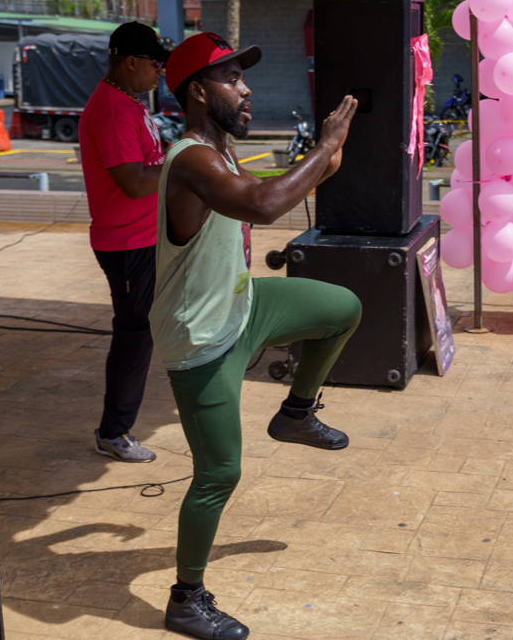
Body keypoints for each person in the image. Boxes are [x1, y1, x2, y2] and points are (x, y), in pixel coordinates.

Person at [153, 32, 360, 640]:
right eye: (232, 80)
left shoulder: (218, 150)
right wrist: (322, 148)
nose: (246, 90)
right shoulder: (192, 157)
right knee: (219, 473)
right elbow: (265, 205)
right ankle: (186, 599)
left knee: (342, 307)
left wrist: (323, 161)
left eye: (244, 77)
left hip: (243, 307)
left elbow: (270, 190)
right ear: (198, 91)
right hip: (202, 336)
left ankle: (295, 414)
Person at [79, 22, 170, 463]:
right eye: (156, 65)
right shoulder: (113, 110)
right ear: (130, 62)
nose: (161, 74)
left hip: (145, 238)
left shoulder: (128, 102)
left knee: (145, 331)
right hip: (128, 244)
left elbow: (148, 160)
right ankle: (113, 433)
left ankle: (116, 428)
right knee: (134, 336)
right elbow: (134, 182)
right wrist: (184, 166)